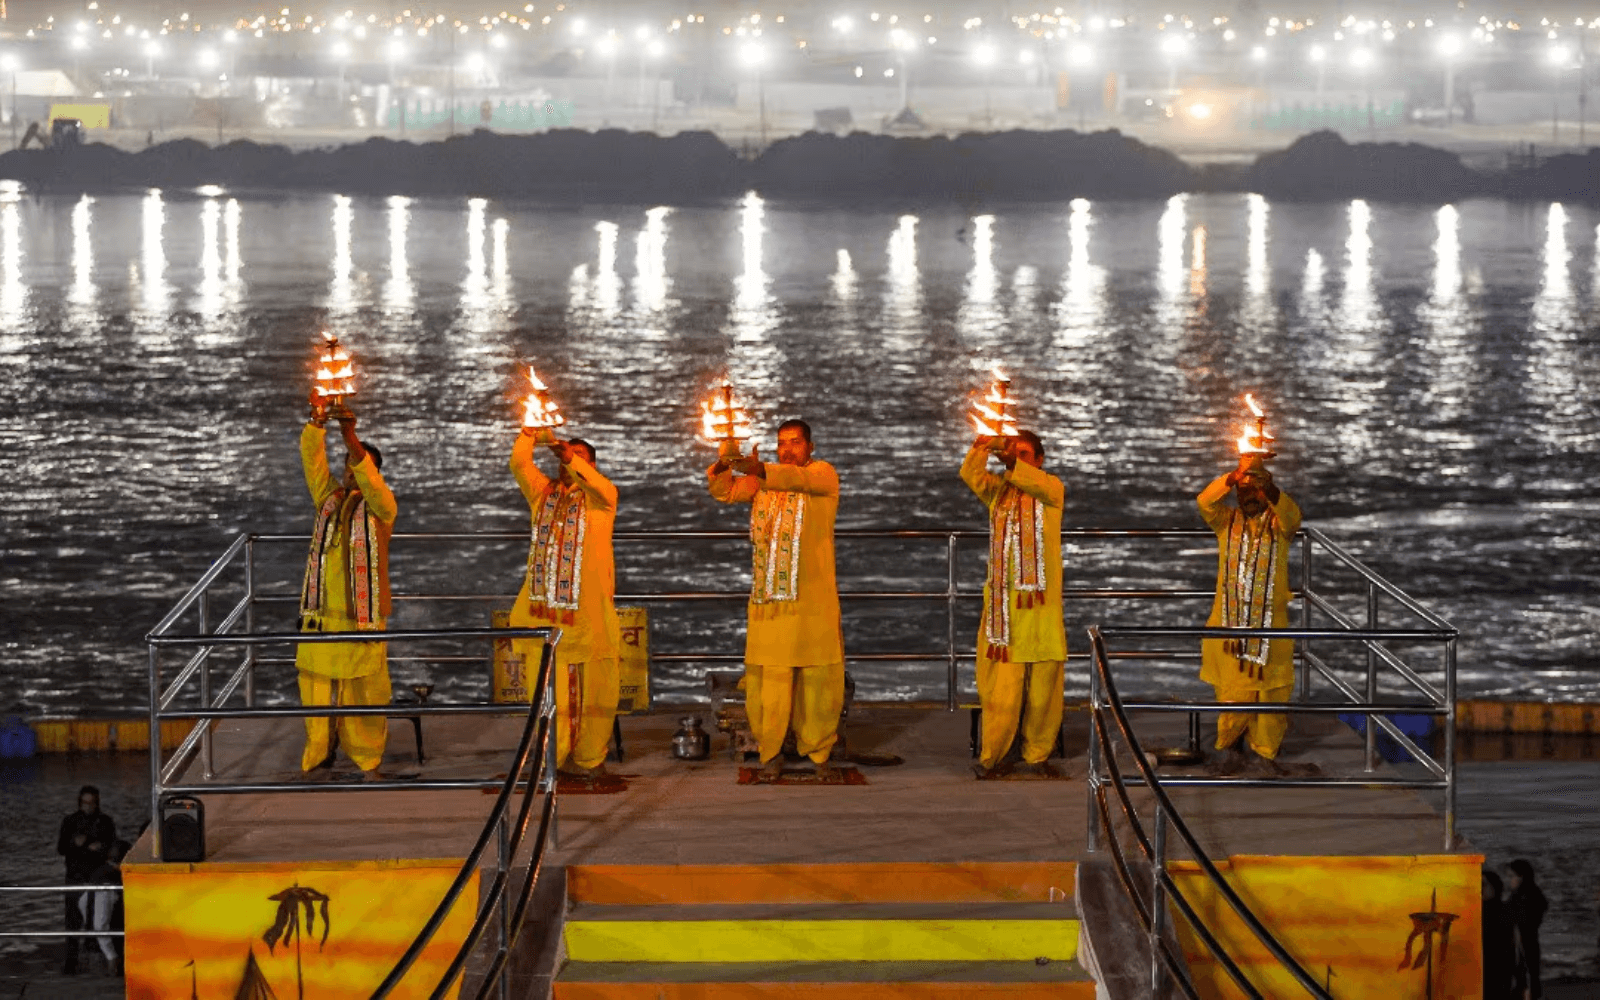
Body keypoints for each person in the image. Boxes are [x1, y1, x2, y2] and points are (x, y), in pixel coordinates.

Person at [708, 419, 845, 781]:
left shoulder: (823, 475)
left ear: (810, 447)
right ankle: (769, 753)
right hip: (770, 604)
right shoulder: (762, 483)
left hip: (813, 602)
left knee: (818, 683)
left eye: (795, 443)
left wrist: (760, 469)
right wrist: (726, 462)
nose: (788, 449)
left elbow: (796, 479)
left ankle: (819, 755)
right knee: (768, 684)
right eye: (782, 443)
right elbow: (724, 492)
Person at [509, 430, 621, 778]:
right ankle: (547, 760)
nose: (566, 460)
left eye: (578, 456)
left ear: (592, 466)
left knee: (595, 691)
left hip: (589, 616)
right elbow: (519, 463)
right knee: (545, 693)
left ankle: (591, 759)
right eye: (564, 455)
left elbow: (599, 487)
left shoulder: (603, 499)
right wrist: (529, 433)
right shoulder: (542, 495)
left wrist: (568, 456)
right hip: (546, 618)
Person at [296, 396, 397, 779]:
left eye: (358, 466)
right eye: (347, 465)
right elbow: (313, 462)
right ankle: (316, 757)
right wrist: (317, 420)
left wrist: (350, 437)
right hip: (321, 618)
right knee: (316, 691)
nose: (350, 473)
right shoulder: (328, 499)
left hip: (362, 621)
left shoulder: (382, 507)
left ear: (372, 470)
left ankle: (368, 762)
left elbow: (373, 488)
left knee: (365, 694)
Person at [961, 430, 1067, 779]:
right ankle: (994, 756)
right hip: (1004, 614)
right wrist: (984, 445)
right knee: (1000, 693)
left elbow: (1030, 480)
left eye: (1025, 454)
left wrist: (1009, 460)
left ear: (1038, 461)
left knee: (1043, 694)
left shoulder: (1052, 490)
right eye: (1014, 453)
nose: (1018, 459)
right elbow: (970, 474)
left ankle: (1038, 756)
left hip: (1041, 611)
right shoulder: (998, 493)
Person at [1197, 453, 1301, 775]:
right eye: (1244, 492)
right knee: (1233, 693)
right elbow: (1204, 502)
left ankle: (1266, 756)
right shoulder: (1225, 522)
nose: (1248, 497)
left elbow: (1293, 516)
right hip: (1231, 629)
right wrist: (1235, 475)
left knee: (1272, 694)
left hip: (1271, 629)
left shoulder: (1279, 525)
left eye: (1254, 491)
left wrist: (1268, 487)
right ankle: (1229, 750)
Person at [56, 786, 115, 975]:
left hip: (95, 876)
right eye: (85, 803)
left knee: (98, 919)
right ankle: (71, 962)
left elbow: (113, 847)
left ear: (98, 803)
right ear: (79, 802)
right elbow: (61, 848)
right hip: (75, 876)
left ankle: (99, 957)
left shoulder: (105, 821)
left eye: (92, 803)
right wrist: (75, 842)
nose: (89, 806)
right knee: (72, 921)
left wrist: (101, 847)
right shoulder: (70, 821)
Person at [1506, 859, 1548, 999]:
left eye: (1512, 876)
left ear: (1521, 877)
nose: (1510, 881)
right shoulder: (1521, 895)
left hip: (1524, 944)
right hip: (1525, 943)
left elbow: (1525, 921)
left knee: (1526, 979)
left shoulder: (1526, 897)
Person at [1483, 869, 1516, 1000]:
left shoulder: (1504, 912)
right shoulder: (1472, 913)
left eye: (1483, 885)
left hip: (1499, 969)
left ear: (1495, 887)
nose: (1479, 888)